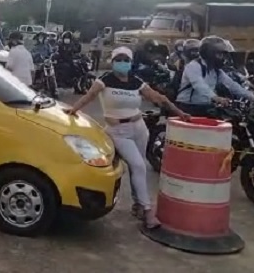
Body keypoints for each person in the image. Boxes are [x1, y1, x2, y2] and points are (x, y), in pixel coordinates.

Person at [63, 46, 190, 229]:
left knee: (138, 168)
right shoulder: (104, 80)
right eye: (119, 60)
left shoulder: (136, 81)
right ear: (113, 62)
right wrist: (73, 110)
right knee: (138, 165)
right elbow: (89, 96)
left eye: (126, 60)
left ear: (131, 62)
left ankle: (138, 204)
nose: (123, 63)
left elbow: (158, 97)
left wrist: (179, 112)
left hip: (139, 128)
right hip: (118, 131)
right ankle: (147, 210)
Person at [175, 36, 254, 116]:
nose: (222, 58)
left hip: (205, 106)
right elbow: (199, 85)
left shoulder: (216, 70)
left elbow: (232, 85)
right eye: (219, 54)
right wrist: (216, 98)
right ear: (209, 53)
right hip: (187, 107)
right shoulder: (193, 66)